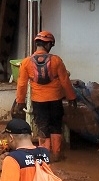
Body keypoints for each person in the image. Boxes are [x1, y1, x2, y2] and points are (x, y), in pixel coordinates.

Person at [13, 31, 77, 161]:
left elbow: (21, 84)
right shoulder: (56, 60)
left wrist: (20, 102)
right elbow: (65, 80)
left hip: (38, 100)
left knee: (42, 126)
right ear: (48, 45)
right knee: (55, 125)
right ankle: (57, 154)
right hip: (55, 99)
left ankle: (45, 156)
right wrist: (72, 98)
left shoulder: (26, 62)